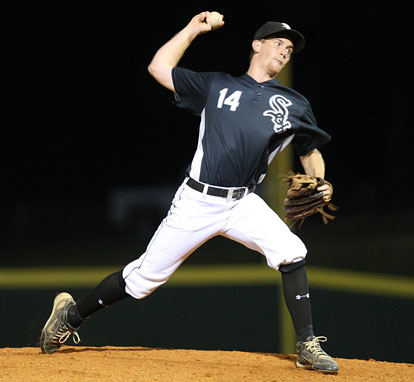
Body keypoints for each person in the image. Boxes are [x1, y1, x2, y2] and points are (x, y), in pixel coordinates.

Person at [40, 11, 338, 373]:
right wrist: (194, 29)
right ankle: (70, 316)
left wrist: (320, 181)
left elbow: (309, 150)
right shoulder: (217, 85)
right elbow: (158, 67)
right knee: (142, 281)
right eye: (278, 43)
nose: (284, 51)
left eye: (290, 48)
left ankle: (307, 343)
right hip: (197, 201)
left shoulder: (294, 103)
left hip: (243, 202)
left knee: (291, 251)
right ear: (256, 45)